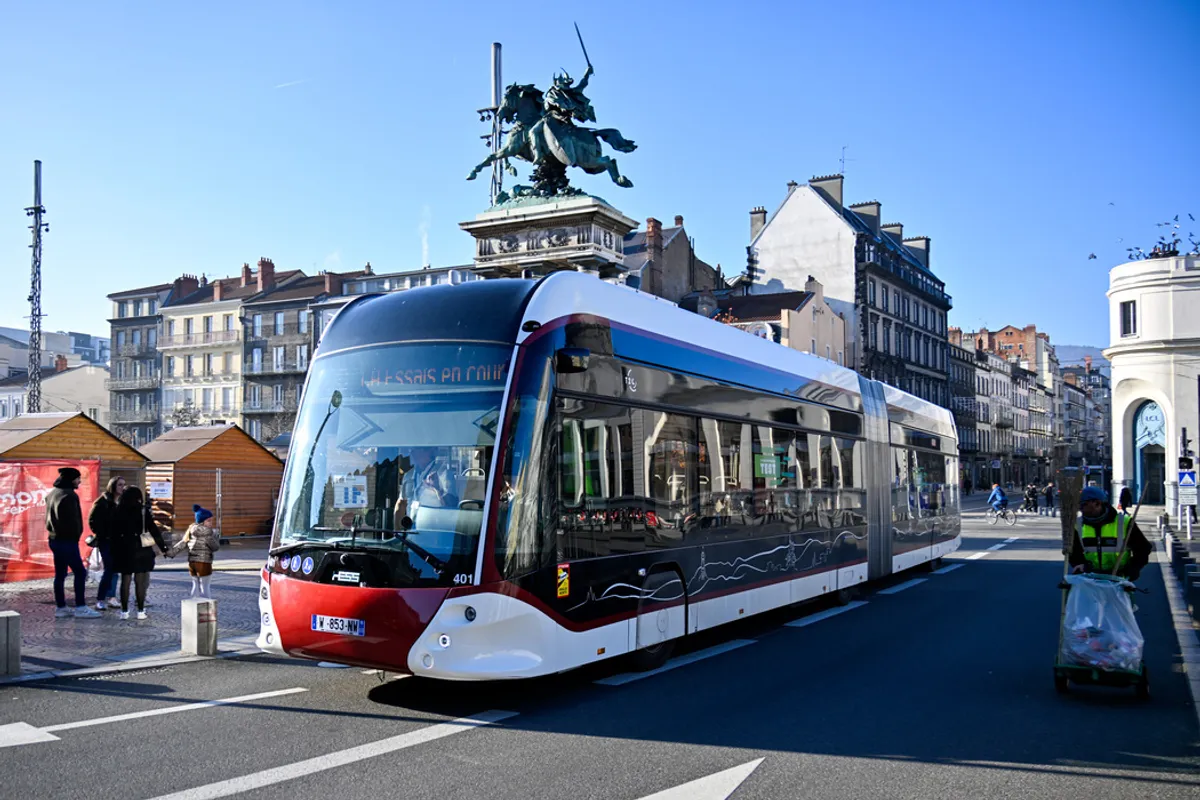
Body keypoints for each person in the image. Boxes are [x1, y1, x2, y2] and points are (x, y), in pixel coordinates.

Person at [45, 466, 102, 619]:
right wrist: (76, 535)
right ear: (71, 479)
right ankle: (80, 606)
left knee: (60, 574)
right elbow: (72, 521)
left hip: (54, 539)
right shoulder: (69, 495)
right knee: (80, 572)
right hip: (67, 541)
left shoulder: (52, 494)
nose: (79, 482)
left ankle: (61, 607)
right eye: (78, 479)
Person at [110, 486, 168, 620]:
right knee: (140, 582)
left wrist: (113, 551)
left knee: (125, 580)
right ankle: (141, 611)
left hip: (124, 548)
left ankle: (124, 612)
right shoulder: (143, 511)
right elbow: (153, 530)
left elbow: (113, 533)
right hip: (141, 548)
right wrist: (163, 548)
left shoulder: (117, 510)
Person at [1069, 485, 1151, 580]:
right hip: (1089, 579)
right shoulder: (1077, 525)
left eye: (1083, 504)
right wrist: (1079, 564)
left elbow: (1143, 548)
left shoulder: (1124, 523)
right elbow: (1073, 552)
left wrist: (1132, 569)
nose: (1080, 508)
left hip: (1118, 580)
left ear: (1097, 503)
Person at [86, 476, 126, 610]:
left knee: (114, 570)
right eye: (120, 485)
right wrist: (103, 534)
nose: (122, 487)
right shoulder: (102, 502)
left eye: (123, 485)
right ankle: (100, 598)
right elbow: (92, 520)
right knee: (109, 569)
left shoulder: (119, 502)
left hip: (117, 541)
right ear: (113, 486)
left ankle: (112, 597)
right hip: (106, 540)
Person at [169, 505, 221, 598]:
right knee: (205, 587)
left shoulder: (191, 529)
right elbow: (215, 547)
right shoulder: (207, 532)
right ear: (202, 521)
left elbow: (183, 542)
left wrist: (171, 552)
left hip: (192, 562)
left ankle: (193, 607)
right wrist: (215, 538)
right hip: (204, 562)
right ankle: (206, 608)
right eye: (208, 521)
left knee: (195, 585)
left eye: (211, 520)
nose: (211, 523)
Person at [393, 447, 458, 521]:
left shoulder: (443, 473)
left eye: (415, 449)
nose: (411, 452)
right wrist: (397, 530)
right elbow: (401, 503)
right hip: (411, 528)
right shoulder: (408, 475)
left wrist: (438, 489)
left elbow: (451, 506)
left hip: (433, 528)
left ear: (428, 452)